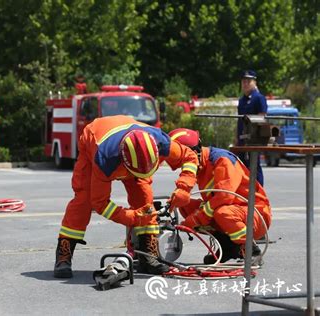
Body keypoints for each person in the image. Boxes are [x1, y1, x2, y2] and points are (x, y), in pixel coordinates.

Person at [54, 115, 199, 278]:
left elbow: (190, 157)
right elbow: (100, 203)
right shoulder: (105, 158)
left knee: (144, 198)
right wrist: (130, 218)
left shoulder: (161, 141)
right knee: (84, 200)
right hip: (94, 139)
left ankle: (147, 255)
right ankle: (63, 255)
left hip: (131, 147)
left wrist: (184, 188)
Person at [169, 128, 272, 263]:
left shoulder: (222, 160)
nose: (184, 168)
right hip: (229, 211)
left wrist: (197, 219)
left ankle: (251, 250)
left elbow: (224, 196)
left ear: (194, 153)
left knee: (222, 212)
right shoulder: (200, 165)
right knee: (185, 205)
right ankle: (227, 247)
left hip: (255, 214)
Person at [236, 70, 267, 185]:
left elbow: (262, 116)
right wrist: (236, 137)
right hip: (242, 139)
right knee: (242, 166)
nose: (245, 84)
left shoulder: (258, 98)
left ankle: (259, 192)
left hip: (254, 139)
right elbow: (239, 120)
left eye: (248, 81)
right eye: (243, 81)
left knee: (254, 165)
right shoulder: (242, 100)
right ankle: (245, 193)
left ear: (254, 82)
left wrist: (257, 137)